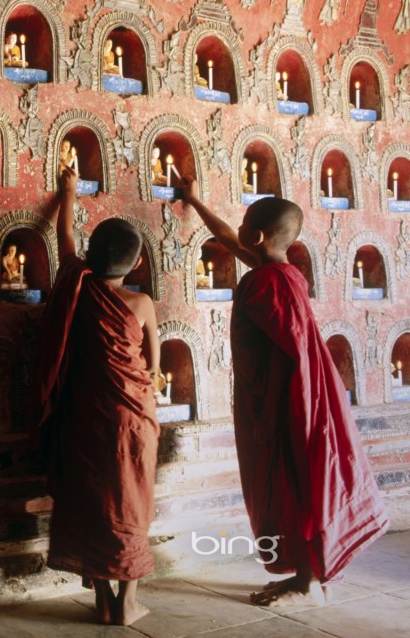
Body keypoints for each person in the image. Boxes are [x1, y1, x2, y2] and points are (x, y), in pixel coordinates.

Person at [178, 179, 389, 606]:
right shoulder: (280, 273)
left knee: (297, 481)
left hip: (292, 400)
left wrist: (269, 419)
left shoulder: (263, 284)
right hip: (305, 393)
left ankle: (308, 582)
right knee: (299, 479)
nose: (236, 229)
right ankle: (305, 575)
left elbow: (289, 357)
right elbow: (228, 239)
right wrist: (195, 198)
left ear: (255, 236)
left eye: (243, 223)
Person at [34, 167, 160, 626]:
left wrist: (68, 193)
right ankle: (128, 602)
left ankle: (104, 599)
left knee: (92, 499)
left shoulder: (79, 285)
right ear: (137, 263)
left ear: (90, 258)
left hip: (85, 413)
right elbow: (153, 358)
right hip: (132, 415)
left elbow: (64, 238)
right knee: (131, 499)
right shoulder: (141, 303)